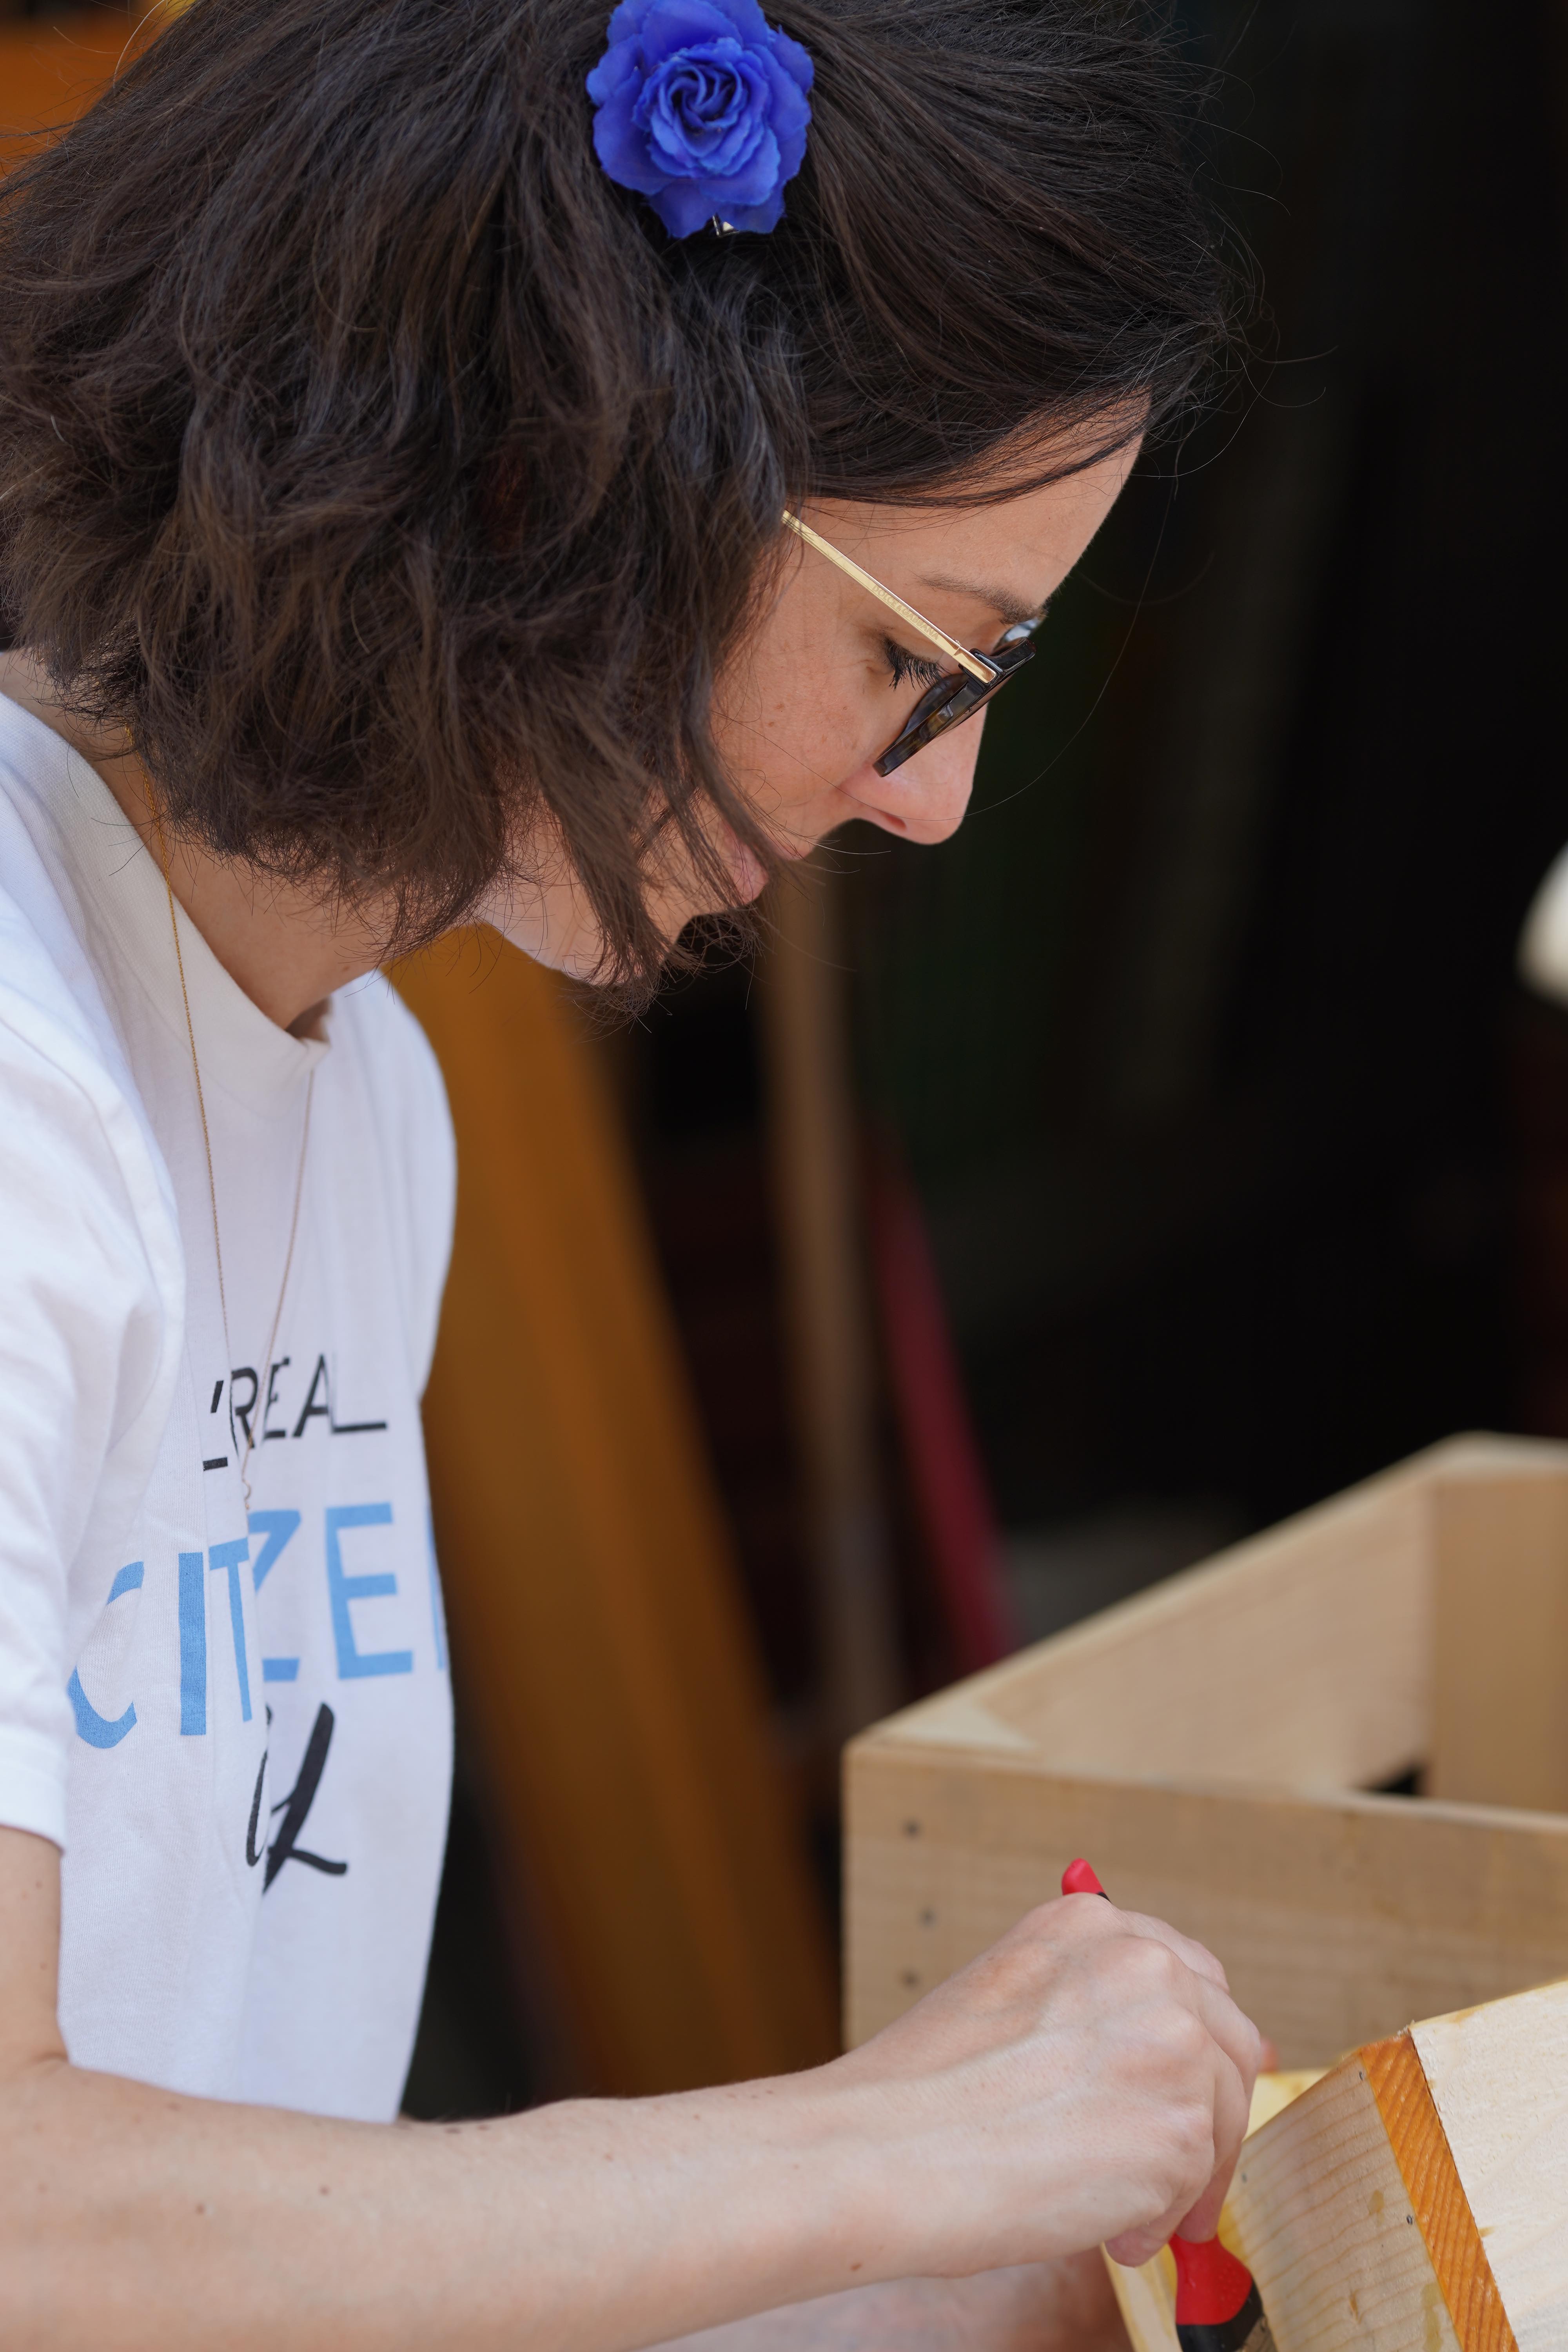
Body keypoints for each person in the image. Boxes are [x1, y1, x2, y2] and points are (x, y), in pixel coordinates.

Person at [0, 0, 1263, 2343]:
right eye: (928, 659)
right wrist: (892, 2147)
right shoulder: (21, 1088)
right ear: (577, 478)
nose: (929, 799)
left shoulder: (366, 1097)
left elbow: (261, 2231)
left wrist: (954, 2273)